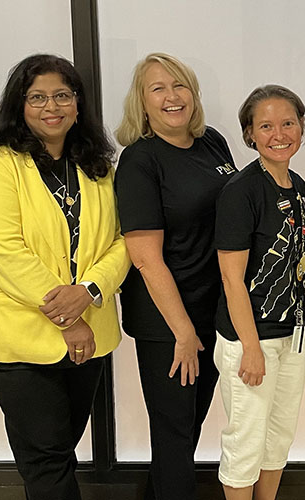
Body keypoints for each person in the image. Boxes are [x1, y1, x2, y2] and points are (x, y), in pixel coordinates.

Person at [0, 54, 129, 500]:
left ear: (77, 104)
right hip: (17, 336)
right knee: (49, 457)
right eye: (36, 97)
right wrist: (67, 315)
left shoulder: (97, 166)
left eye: (61, 95)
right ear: (19, 104)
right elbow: (2, 250)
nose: (50, 106)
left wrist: (90, 291)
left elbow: (121, 241)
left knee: (56, 451)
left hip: (89, 331)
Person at [114, 53, 236, 499]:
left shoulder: (213, 143)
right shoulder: (140, 161)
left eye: (179, 85)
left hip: (213, 311)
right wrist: (182, 330)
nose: (171, 96)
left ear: (193, 93)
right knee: (173, 435)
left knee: (185, 432)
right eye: (158, 89)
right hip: (168, 321)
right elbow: (144, 257)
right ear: (142, 104)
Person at [214, 84, 305, 500]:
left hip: (293, 334)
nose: (279, 134)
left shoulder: (299, 185)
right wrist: (250, 346)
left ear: (301, 127)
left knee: (278, 439)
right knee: (245, 442)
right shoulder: (242, 191)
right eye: (266, 126)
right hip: (250, 339)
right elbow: (231, 278)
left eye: (288, 123)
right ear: (250, 134)